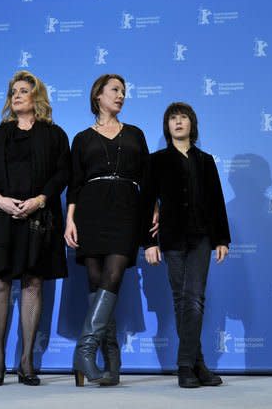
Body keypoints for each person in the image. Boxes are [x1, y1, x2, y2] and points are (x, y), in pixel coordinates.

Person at [0, 71, 70, 386]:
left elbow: (63, 173)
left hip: (39, 218)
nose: (16, 96)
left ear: (36, 98)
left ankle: (27, 361)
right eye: (13, 91)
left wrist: (40, 200)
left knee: (33, 284)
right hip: (0, 217)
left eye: (23, 91)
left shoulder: (54, 135)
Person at [64, 74, 151, 386]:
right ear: (98, 95)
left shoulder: (136, 134)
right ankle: (111, 359)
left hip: (127, 208)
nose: (121, 95)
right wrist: (70, 219)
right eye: (115, 90)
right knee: (96, 280)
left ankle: (84, 351)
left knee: (113, 276)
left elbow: (147, 178)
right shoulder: (82, 138)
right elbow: (74, 183)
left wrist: (154, 208)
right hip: (90, 210)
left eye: (124, 92)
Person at [143, 102, 231, 388]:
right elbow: (146, 204)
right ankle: (197, 363)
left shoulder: (205, 161)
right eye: (172, 118)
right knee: (182, 301)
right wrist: (149, 242)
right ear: (166, 126)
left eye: (183, 118)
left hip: (201, 238)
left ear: (192, 124)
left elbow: (217, 202)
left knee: (194, 298)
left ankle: (184, 365)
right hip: (171, 238)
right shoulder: (157, 161)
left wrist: (222, 239)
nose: (178, 122)